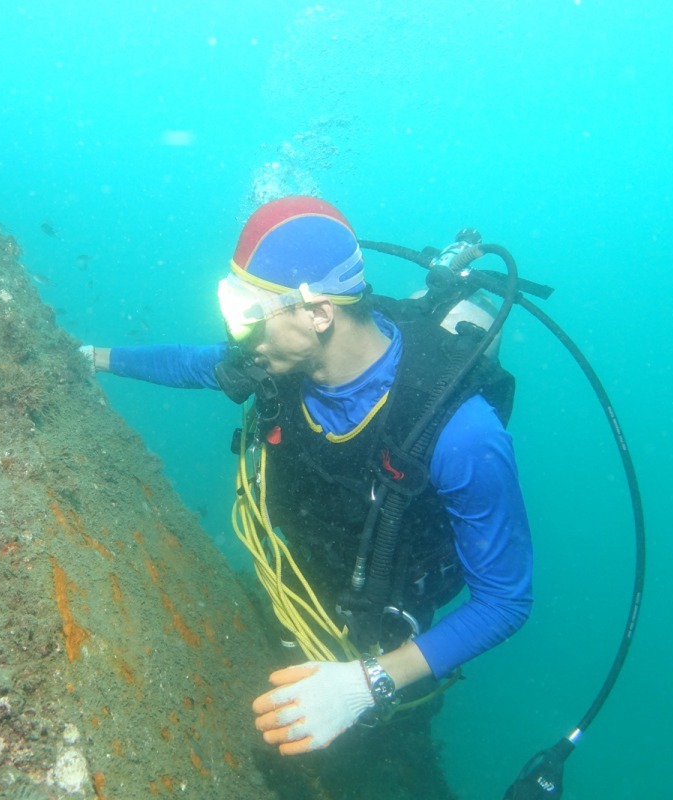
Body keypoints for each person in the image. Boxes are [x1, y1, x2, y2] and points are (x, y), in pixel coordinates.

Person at [83, 196, 532, 777]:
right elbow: (196, 364)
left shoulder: (465, 437)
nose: (235, 334)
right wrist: (90, 358)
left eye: (247, 313)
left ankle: (449, 285)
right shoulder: (277, 356)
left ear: (319, 313)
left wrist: (364, 686)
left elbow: (506, 601)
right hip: (313, 567)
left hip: (387, 606)